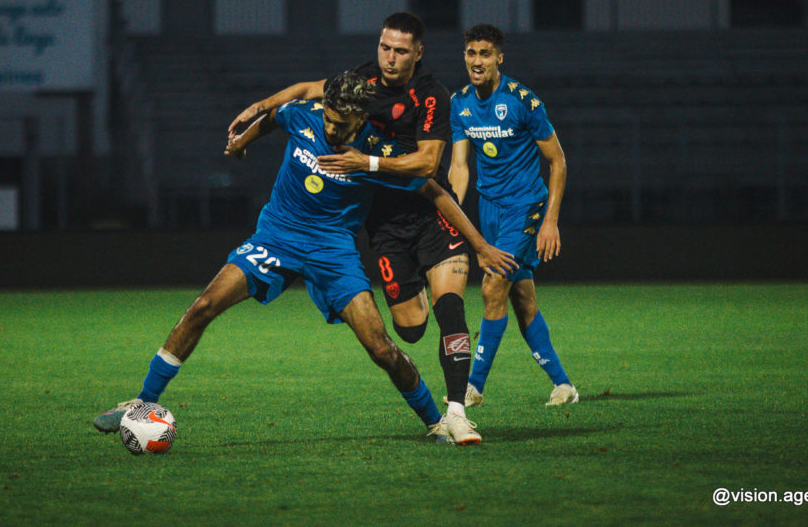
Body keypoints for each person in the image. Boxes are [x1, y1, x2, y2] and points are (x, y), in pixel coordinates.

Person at [94, 71, 515, 444]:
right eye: (328, 119)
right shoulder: (304, 115)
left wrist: (479, 245)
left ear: (360, 119)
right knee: (204, 306)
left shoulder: (375, 152)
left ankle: (435, 422)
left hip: (333, 250)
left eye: (340, 124)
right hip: (277, 235)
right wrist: (242, 143)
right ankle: (142, 401)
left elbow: (434, 190)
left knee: (381, 348)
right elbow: (274, 117)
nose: (331, 129)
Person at [228, 12, 484, 426]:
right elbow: (306, 90)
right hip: (384, 222)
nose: (390, 58)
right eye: (385, 47)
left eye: (400, 51)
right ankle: (420, 292)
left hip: (429, 210)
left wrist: (365, 162)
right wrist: (260, 106)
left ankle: (456, 412)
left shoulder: (431, 95)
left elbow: (427, 165)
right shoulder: (362, 81)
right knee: (410, 329)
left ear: (418, 53)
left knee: (450, 308)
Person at [448, 23, 579, 407]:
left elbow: (558, 161)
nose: (477, 61)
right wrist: (451, 213)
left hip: (525, 206)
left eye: (485, 54)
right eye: (471, 53)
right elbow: (459, 166)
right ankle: (563, 385)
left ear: (499, 58)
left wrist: (550, 221)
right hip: (488, 209)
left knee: (492, 288)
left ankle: (471, 387)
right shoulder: (459, 103)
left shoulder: (523, 101)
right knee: (522, 297)